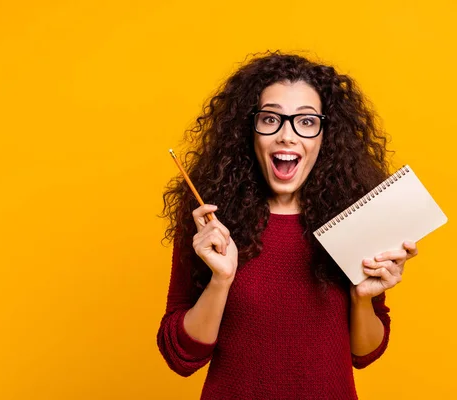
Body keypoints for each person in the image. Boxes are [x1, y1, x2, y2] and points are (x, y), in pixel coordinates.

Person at [157, 51, 418, 400]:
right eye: (271, 119)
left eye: (306, 122)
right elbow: (182, 357)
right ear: (249, 129)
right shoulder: (211, 220)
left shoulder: (354, 216)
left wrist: (361, 298)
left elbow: (365, 353)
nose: (287, 136)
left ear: (327, 134)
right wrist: (221, 281)